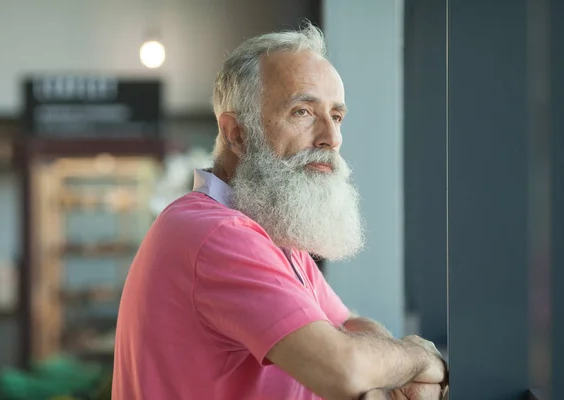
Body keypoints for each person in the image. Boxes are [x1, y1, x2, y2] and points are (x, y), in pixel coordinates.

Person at [112, 22, 448, 400]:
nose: (331, 138)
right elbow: (343, 368)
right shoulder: (217, 235)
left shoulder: (270, 234)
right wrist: (421, 359)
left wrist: (383, 376)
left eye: (336, 116)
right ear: (237, 134)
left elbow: (347, 325)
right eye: (303, 112)